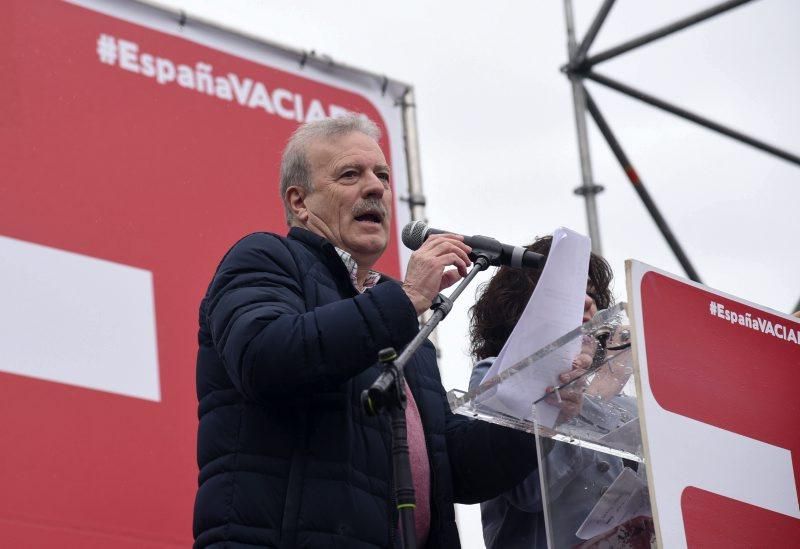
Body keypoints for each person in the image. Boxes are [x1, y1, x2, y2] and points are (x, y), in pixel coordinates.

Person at [193, 114, 537, 548]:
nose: (375, 188)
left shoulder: (400, 319)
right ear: (299, 202)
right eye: (350, 174)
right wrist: (407, 297)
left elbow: (453, 467)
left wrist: (538, 403)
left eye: (383, 175)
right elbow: (264, 357)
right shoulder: (265, 258)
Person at [468, 235, 637, 549]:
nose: (588, 303)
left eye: (593, 295)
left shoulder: (630, 407)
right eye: (570, 294)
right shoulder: (495, 375)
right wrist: (595, 397)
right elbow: (528, 492)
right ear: (524, 308)